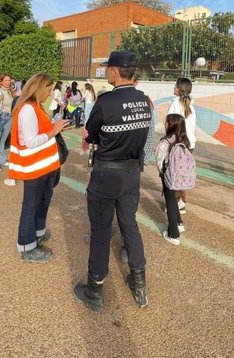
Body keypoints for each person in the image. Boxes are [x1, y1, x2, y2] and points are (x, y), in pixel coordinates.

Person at [74, 51, 152, 313]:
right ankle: (139, 283)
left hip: (107, 173)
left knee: (100, 230)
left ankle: (94, 289)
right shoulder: (144, 101)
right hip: (132, 174)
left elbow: (91, 133)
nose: (106, 72)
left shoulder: (106, 101)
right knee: (130, 225)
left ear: (116, 72)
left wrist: (94, 137)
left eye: (108, 68)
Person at [7, 73, 68, 262]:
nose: (50, 94)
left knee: (43, 201)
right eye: (48, 90)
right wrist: (54, 130)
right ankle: (27, 246)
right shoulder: (27, 109)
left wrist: (53, 127)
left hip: (42, 166)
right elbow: (31, 141)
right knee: (31, 205)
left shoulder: (34, 107)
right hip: (34, 167)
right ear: (39, 88)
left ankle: (38, 233)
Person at [156, 114, 190, 245]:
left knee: (169, 202)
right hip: (180, 176)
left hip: (168, 176)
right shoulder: (183, 140)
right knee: (173, 199)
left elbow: (159, 160)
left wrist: (161, 173)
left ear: (172, 125)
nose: (165, 124)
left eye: (167, 122)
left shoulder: (166, 142)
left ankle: (173, 235)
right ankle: (179, 222)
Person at [166, 77, 196, 215]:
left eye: (175, 86)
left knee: (173, 173)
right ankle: (181, 203)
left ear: (179, 89)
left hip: (178, 143)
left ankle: (176, 204)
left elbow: (171, 124)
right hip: (189, 143)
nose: (173, 88)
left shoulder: (175, 104)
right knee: (183, 173)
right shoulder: (190, 105)